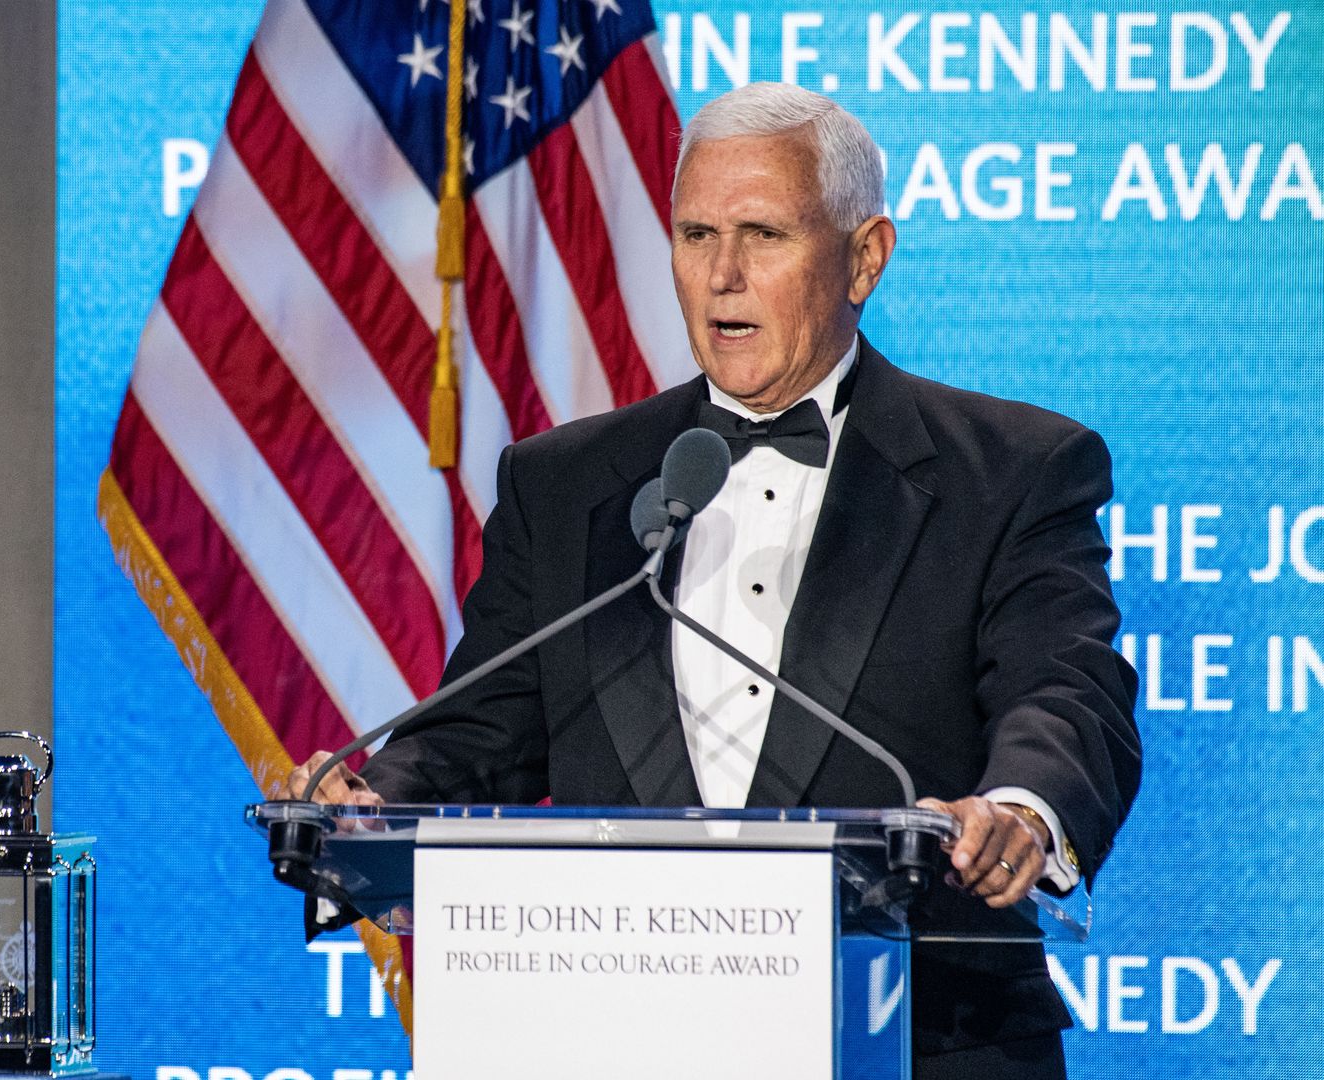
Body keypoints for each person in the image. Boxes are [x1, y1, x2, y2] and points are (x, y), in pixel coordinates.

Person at [289, 82, 1139, 1079]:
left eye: (763, 235)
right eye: (696, 235)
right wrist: (368, 804)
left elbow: (1068, 690)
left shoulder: (1013, 470)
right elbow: (486, 731)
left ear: (865, 257)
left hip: (923, 1040)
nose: (723, 275)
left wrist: (1021, 812)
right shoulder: (564, 485)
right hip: (619, 1041)